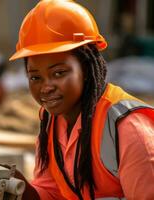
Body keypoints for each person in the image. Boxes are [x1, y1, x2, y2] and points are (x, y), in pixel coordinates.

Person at [9, 0, 154, 199]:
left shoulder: (128, 129)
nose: (46, 86)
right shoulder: (51, 121)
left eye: (59, 73)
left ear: (85, 69)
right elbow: (52, 193)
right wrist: (22, 190)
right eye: (35, 77)